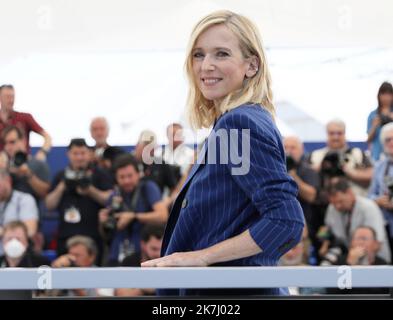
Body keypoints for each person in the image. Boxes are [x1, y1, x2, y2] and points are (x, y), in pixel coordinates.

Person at [142, 10, 304, 297]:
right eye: (198, 54)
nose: (206, 66)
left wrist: (201, 256)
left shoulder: (237, 123)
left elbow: (285, 219)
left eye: (221, 54)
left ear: (251, 65)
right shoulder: (236, 122)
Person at [45, 138, 113, 259]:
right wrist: (62, 186)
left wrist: (90, 190)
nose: (79, 157)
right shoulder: (60, 176)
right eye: (75, 154)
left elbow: (110, 199)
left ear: (89, 154)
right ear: (68, 154)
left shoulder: (99, 174)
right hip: (66, 238)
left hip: (93, 237)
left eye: (82, 153)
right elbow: (49, 205)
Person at [99, 154, 167, 265]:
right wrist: (103, 223)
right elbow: (106, 233)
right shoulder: (114, 196)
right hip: (116, 254)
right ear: (116, 177)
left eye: (130, 176)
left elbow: (162, 216)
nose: (126, 181)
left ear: (138, 174)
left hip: (142, 255)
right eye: (122, 177)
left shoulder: (148, 188)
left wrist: (134, 216)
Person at [322, 177, 390, 263]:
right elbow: (327, 228)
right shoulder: (332, 208)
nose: (337, 206)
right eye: (334, 203)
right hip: (350, 256)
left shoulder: (368, 207)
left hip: (375, 260)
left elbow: (377, 243)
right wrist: (325, 243)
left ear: (350, 192)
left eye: (340, 201)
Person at [1, 125, 50, 205]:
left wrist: (27, 173)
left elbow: (45, 194)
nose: (8, 147)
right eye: (5, 143)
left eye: (12, 142)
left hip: (30, 215)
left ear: (23, 141)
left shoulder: (38, 164)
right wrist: (2, 171)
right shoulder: (3, 165)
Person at [0, 84, 51, 160]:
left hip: (23, 164)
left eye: (12, 97)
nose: (11, 100)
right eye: (7, 97)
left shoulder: (25, 118)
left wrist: (42, 152)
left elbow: (47, 137)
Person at [116, 223, 165, 297]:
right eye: (154, 249)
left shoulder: (168, 261)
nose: (158, 254)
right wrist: (143, 288)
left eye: (162, 249)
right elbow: (121, 294)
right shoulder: (129, 261)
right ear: (143, 245)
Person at [368, 122, 393, 259]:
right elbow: (370, 194)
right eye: (387, 140)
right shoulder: (379, 166)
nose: (391, 143)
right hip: (385, 225)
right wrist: (377, 200)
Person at [367, 82, 393, 162]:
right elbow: (368, 139)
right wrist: (374, 126)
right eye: (383, 94)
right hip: (377, 156)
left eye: (389, 94)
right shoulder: (373, 115)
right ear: (379, 96)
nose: (386, 97)